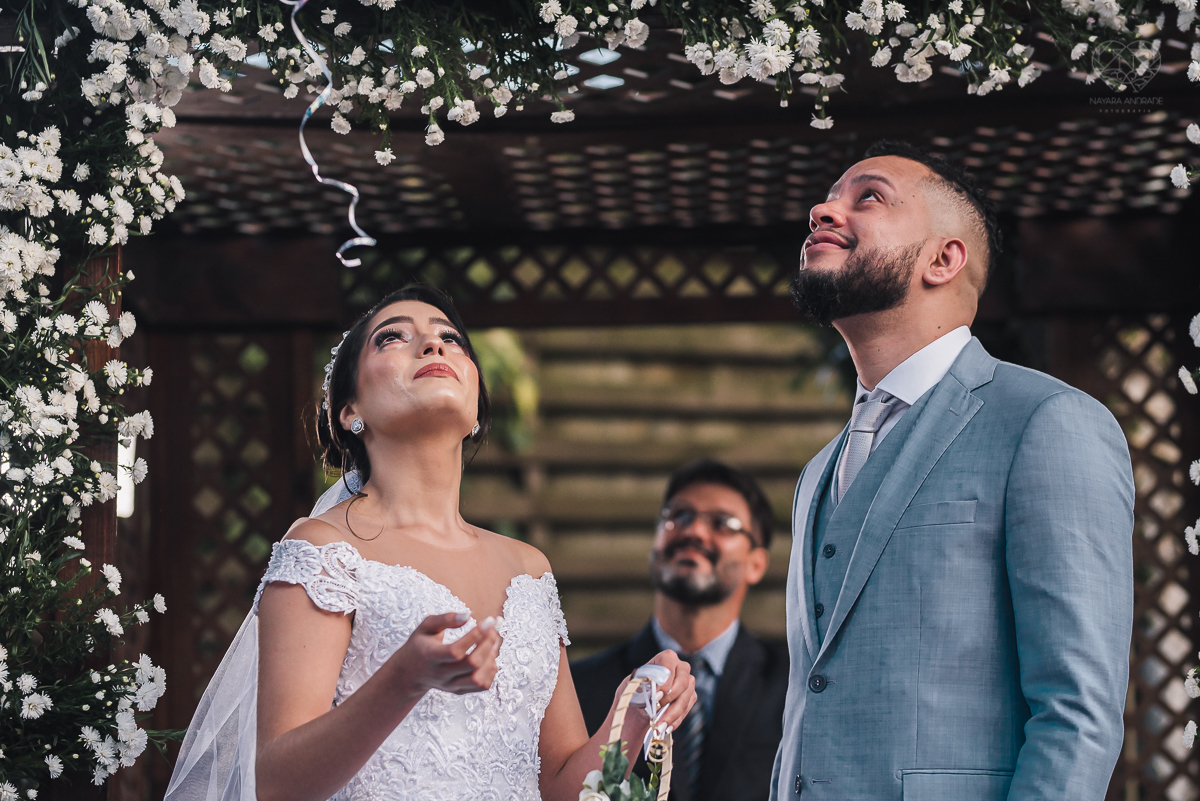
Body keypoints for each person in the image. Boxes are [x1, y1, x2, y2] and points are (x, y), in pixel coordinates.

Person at [165, 285, 697, 801]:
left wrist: (632, 718)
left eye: (451, 338)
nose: (433, 343)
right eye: (392, 337)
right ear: (349, 410)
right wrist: (404, 679)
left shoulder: (529, 568)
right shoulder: (324, 550)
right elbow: (277, 784)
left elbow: (558, 786)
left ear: (476, 412)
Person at [772, 140, 1134, 801]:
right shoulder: (819, 471)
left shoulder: (1048, 423)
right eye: (826, 199)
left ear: (943, 259)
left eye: (868, 197)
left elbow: (1077, 713)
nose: (822, 210)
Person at [573, 459, 789, 801]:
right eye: (680, 516)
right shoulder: (577, 689)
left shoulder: (794, 690)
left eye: (723, 523)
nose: (695, 532)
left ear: (757, 563)